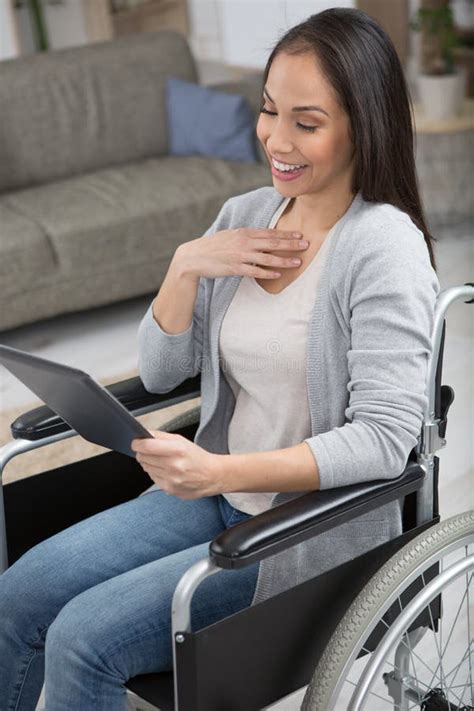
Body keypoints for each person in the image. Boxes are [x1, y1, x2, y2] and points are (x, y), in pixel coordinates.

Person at [0, 7, 440, 710]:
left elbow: (387, 440)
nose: (276, 138)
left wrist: (221, 469)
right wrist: (185, 267)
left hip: (303, 535)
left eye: (307, 120)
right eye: (269, 111)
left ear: (364, 123)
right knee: (16, 594)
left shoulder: (381, 247)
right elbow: (161, 370)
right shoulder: (245, 215)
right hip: (215, 498)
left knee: (82, 636)